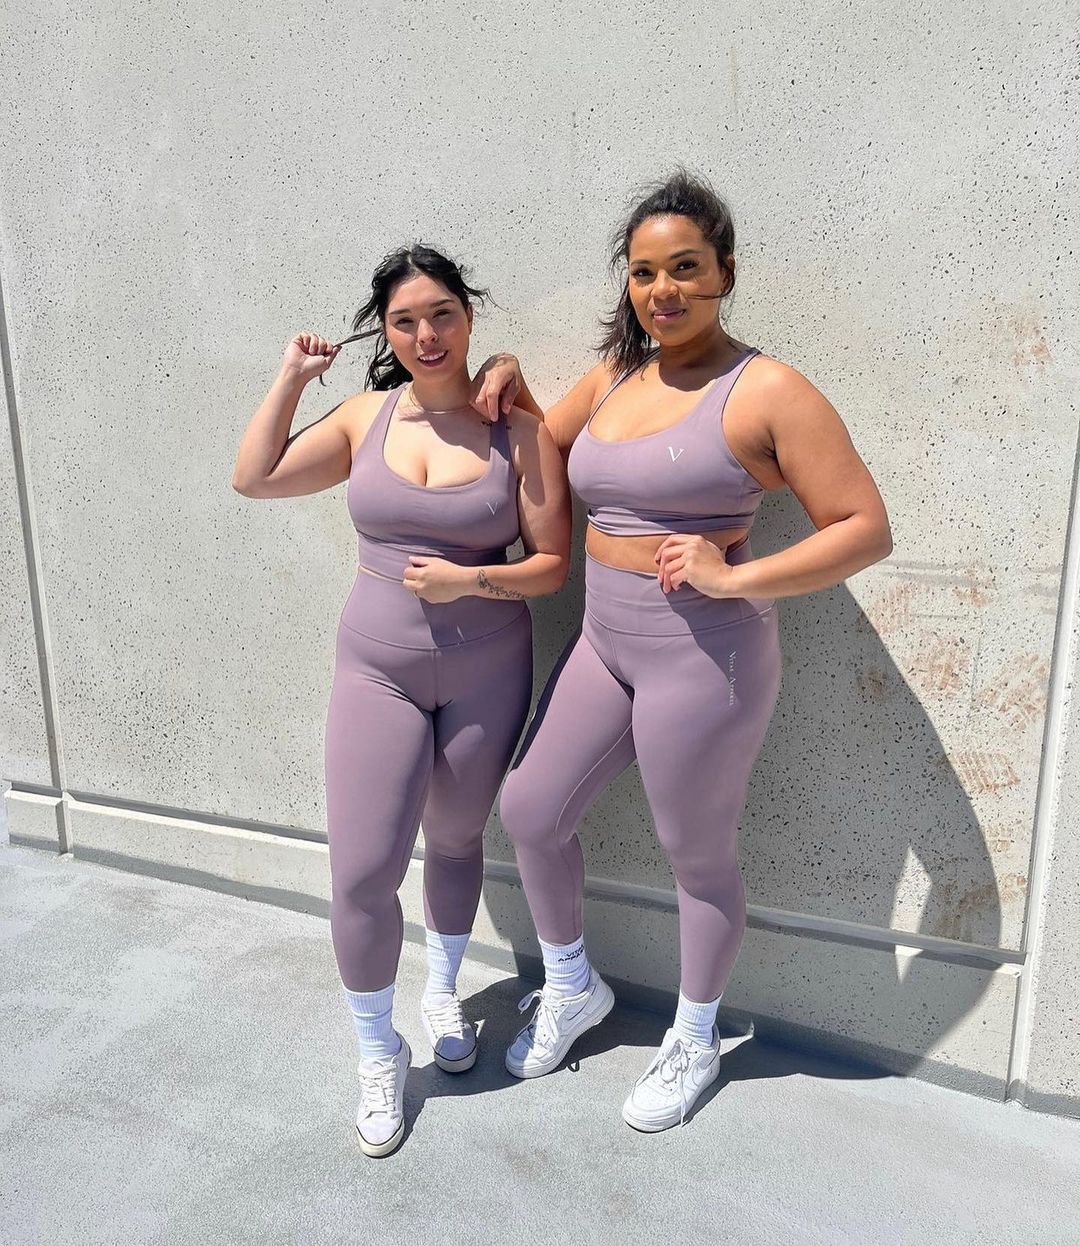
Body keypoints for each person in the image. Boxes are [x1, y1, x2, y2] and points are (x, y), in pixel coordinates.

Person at [478, 171, 892, 1132]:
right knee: (531, 809)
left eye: (685, 269)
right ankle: (574, 987)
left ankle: (696, 1036)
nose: (662, 290)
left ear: (724, 273)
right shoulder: (615, 378)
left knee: (694, 853)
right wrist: (506, 373)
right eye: (643, 273)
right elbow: (544, 446)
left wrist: (738, 578)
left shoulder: (767, 389)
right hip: (604, 638)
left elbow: (864, 527)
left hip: (707, 654)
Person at [232, 246, 570, 1157]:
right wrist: (291, 378)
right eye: (405, 321)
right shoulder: (363, 418)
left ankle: (442, 994)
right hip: (375, 671)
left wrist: (471, 581)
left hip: (487, 669)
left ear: (469, 316)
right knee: (360, 873)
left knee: (457, 838)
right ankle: (379, 1052)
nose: (427, 335)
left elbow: (551, 566)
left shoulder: (517, 432)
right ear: (385, 332)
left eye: (442, 315)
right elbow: (255, 477)